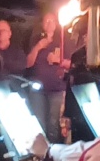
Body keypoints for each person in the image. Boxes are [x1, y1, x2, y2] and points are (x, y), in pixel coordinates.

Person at [27, 9, 71, 141]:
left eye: (52, 20)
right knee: (39, 122)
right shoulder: (36, 39)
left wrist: (57, 60)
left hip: (57, 89)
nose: (49, 23)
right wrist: (38, 47)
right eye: (47, 21)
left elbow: (71, 63)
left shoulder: (63, 39)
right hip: (38, 90)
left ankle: (54, 149)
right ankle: (41, 150)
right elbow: (28, 63)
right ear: (42, 24)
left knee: (54, 124)